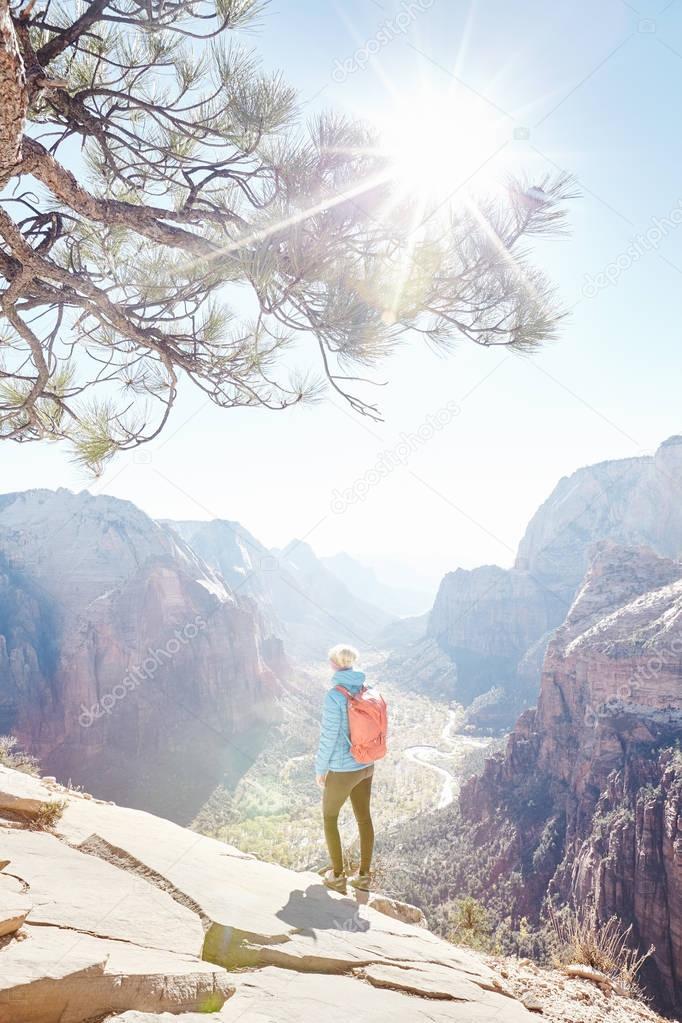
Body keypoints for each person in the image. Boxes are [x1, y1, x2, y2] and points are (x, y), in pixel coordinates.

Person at [315, 643, 375, 892]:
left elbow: (328, 737)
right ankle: (363, 877)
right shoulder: (366, 689)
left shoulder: (335, 696)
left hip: (342, 769)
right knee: (364, 819)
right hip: (367, 765)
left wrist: (320, 769)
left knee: (330, 818)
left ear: (334, 664)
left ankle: (337, 877)